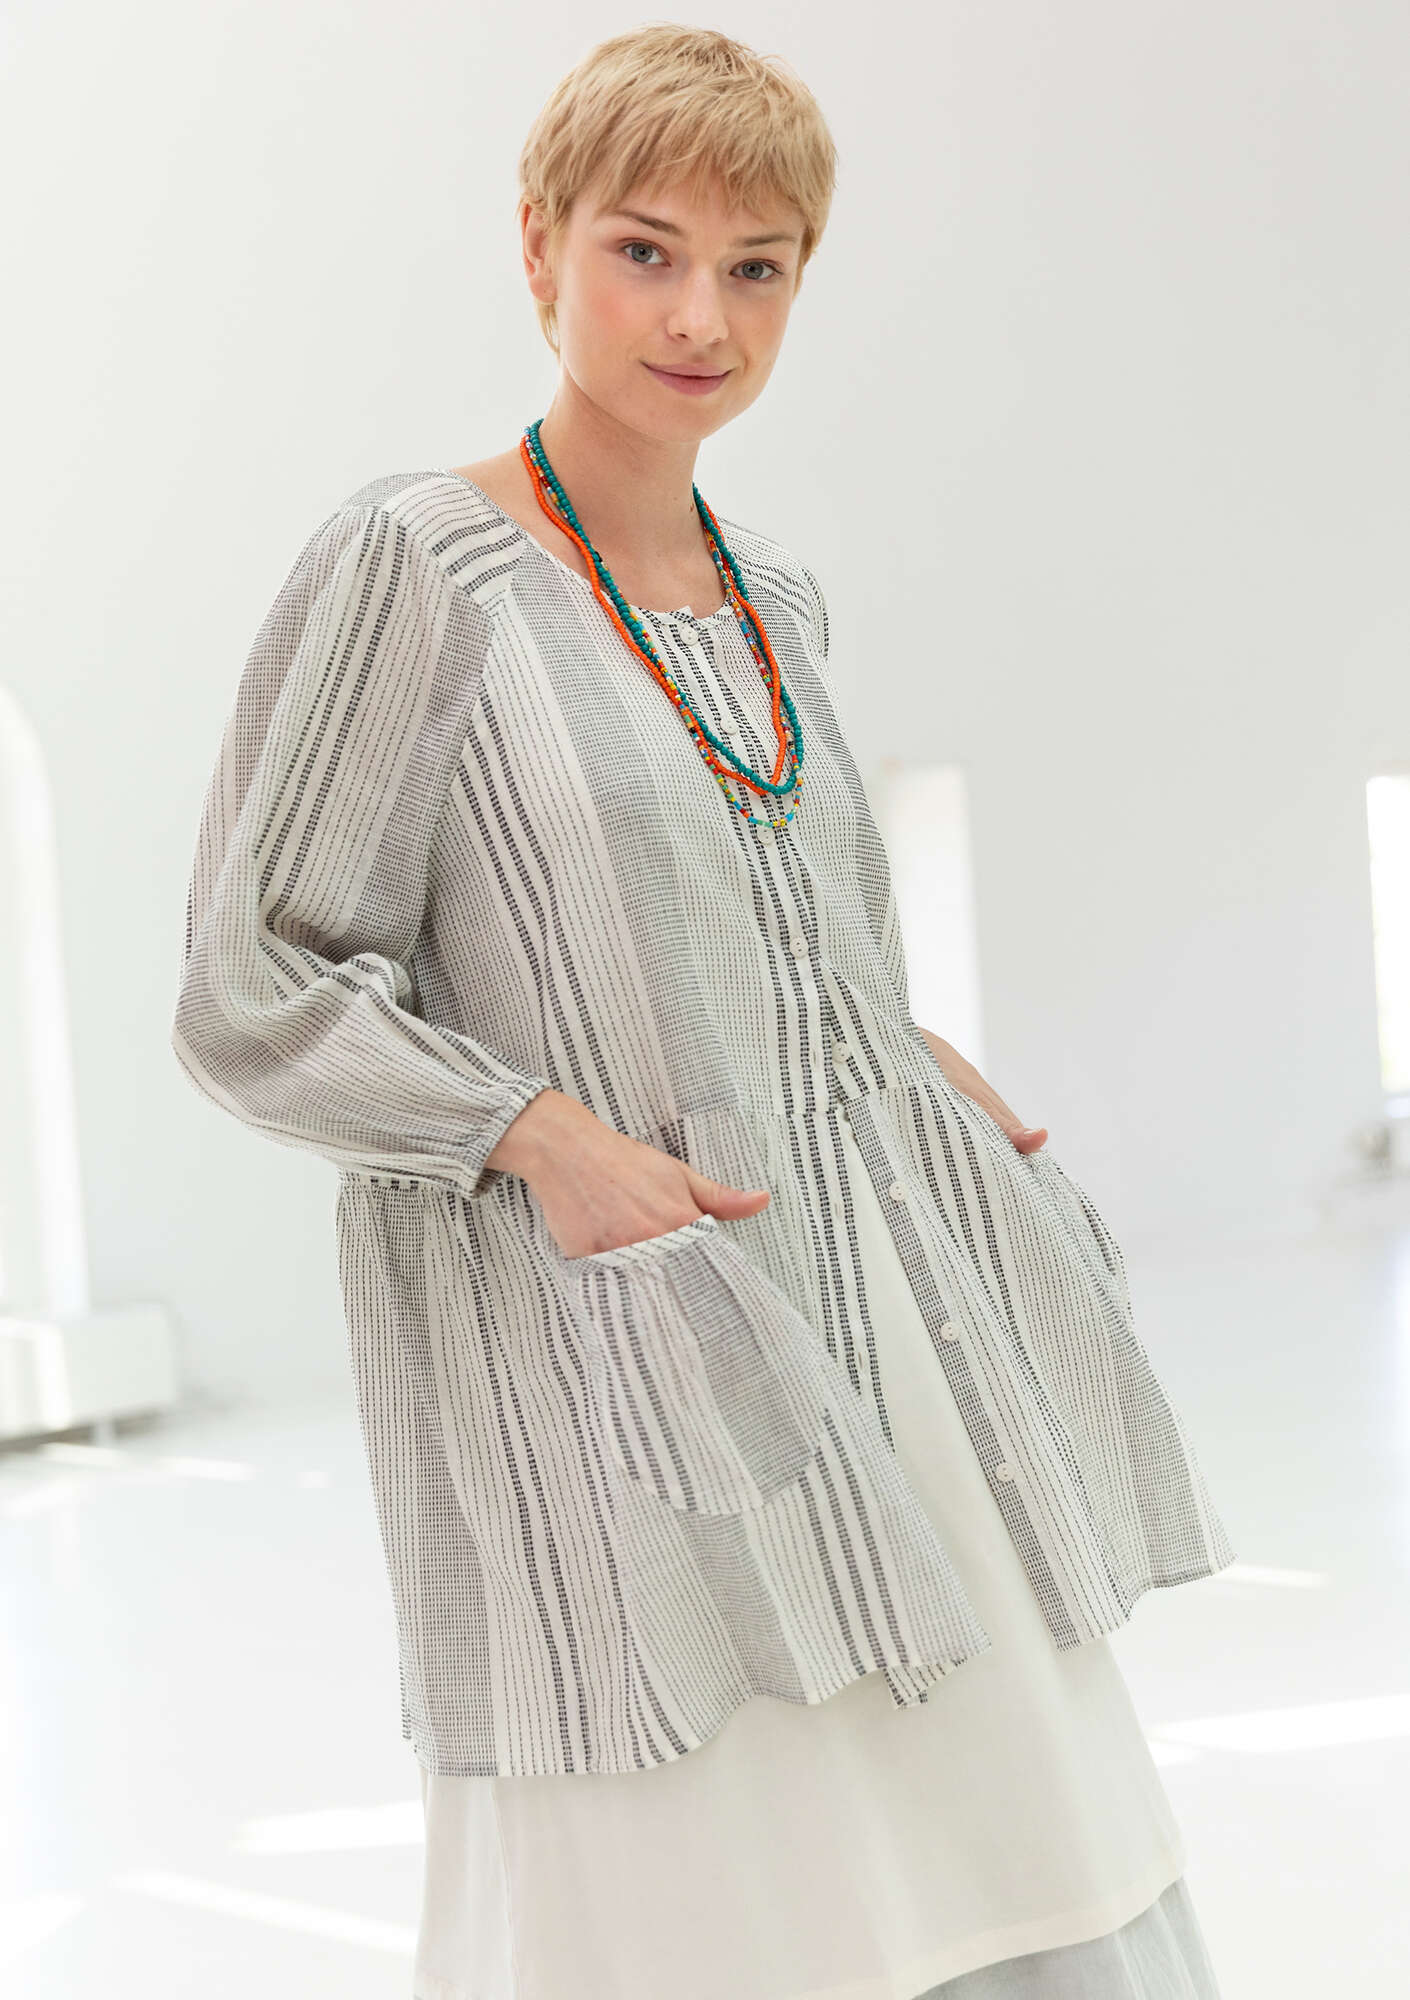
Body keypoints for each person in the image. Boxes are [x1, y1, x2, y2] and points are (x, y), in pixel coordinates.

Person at [171, 23, 1234, 2000]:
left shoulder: (777, 599)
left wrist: (900, 1046)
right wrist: (539, 1137)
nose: (700, 318)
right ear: (539, 245)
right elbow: (255, 980)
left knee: (1006, 1821)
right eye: (645, 251)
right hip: (613, 1340)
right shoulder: (418, 569)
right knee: (701, 1868)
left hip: (880, 1303)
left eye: (758, 268)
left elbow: (783, 932)